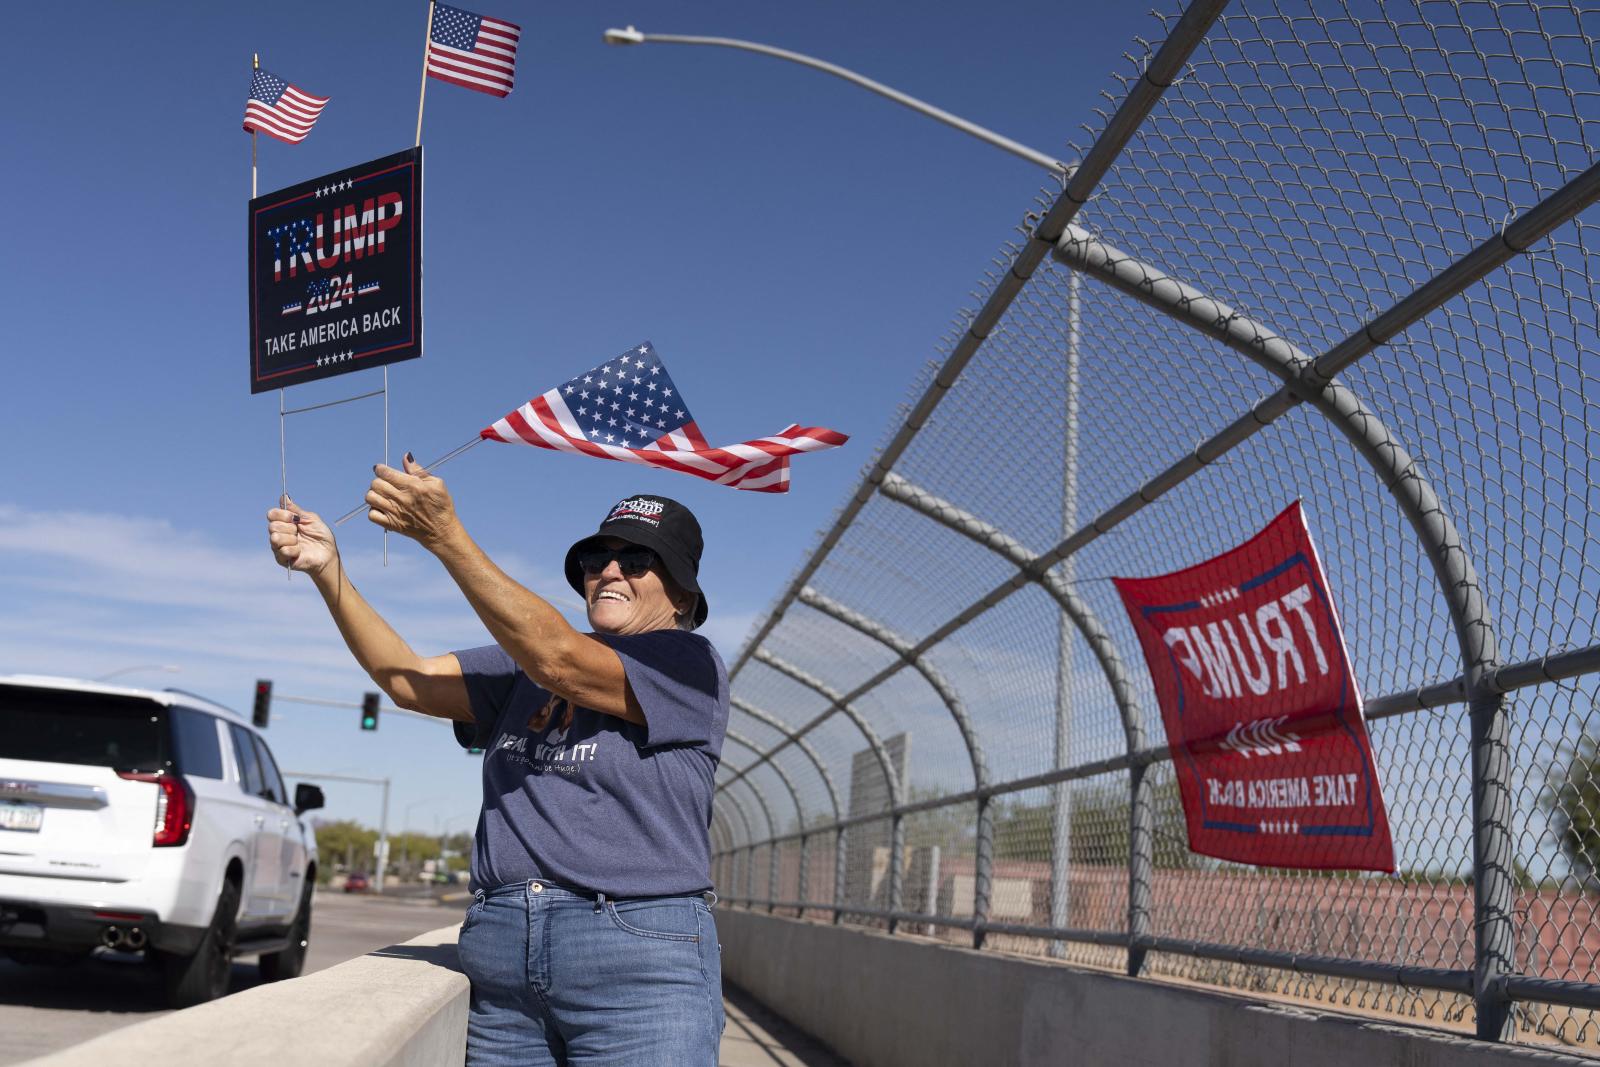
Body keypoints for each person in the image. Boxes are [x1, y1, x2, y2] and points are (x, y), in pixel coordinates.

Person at [265, 458, 729, 1066]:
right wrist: (329, 571)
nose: (610, 572)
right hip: (504, 951)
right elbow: (410, 682)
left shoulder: (686, 664)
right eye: (597, 561)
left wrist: (444, 537)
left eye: (638, 562)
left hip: (637, 957)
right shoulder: (523, 668)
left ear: (682, 591)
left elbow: (558, 659)